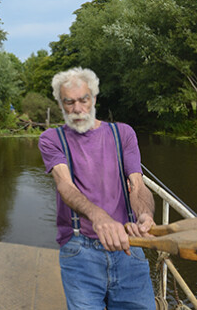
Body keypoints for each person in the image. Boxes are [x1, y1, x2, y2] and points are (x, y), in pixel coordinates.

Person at [38, 67, 156, 310]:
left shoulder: (123, 133)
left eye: (84, 99)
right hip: (80, 251)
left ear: (94, 98)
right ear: (61, 104)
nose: (78, 109)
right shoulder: (51, 139)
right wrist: (99, 216)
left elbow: (137, 184)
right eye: (69, 102)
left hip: (129, 245)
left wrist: (145, 215)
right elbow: (65, 186)